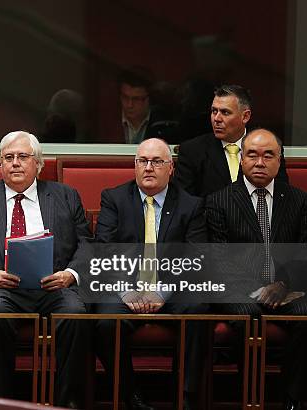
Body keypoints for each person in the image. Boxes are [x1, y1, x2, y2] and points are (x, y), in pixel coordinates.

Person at [0, 131, 91, 407]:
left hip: (54, 286)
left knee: (76, 314)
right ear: (0, 164)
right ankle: (2, 401)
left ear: (38, 164)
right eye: (8, 158)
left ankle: (68, 402)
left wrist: (70, 275)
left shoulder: (65, 196)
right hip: (2, 288)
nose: (15, 163)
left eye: (22, 157)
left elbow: (87, 244)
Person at [205, 128, 307, 410]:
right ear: (241, 159)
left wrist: (282, 285)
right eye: (252, 155)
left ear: (280, 161)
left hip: (285, 289)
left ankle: (291, 399)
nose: (260, 162)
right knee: (247, 313)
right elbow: (218, 260)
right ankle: (248, 396)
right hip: (239, 291)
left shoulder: (297, 200)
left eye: (269, 155)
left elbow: (306, 254)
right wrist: (255, 290)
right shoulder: (219, 200)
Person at [94, 138, 207, 410]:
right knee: (105, 321)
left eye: (157, 162)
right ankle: (133, 397)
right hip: (127, 288)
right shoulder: (115, 199)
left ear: (171, 168)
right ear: (134, 166)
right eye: (142, 161)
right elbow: (102, 251)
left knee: (199, 307)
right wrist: (125, 290)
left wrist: (162, 292)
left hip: (173, 289)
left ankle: (185, 399)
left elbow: (197, 258)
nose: (148, 167)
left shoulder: (191, 205)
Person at [174, 84, 288, 199]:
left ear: (245, 116)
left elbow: (281, 195)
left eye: (225, 112)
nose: (217, 119)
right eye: (214, 111)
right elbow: (185, 204)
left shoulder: (268, 146)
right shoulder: (192, 151)